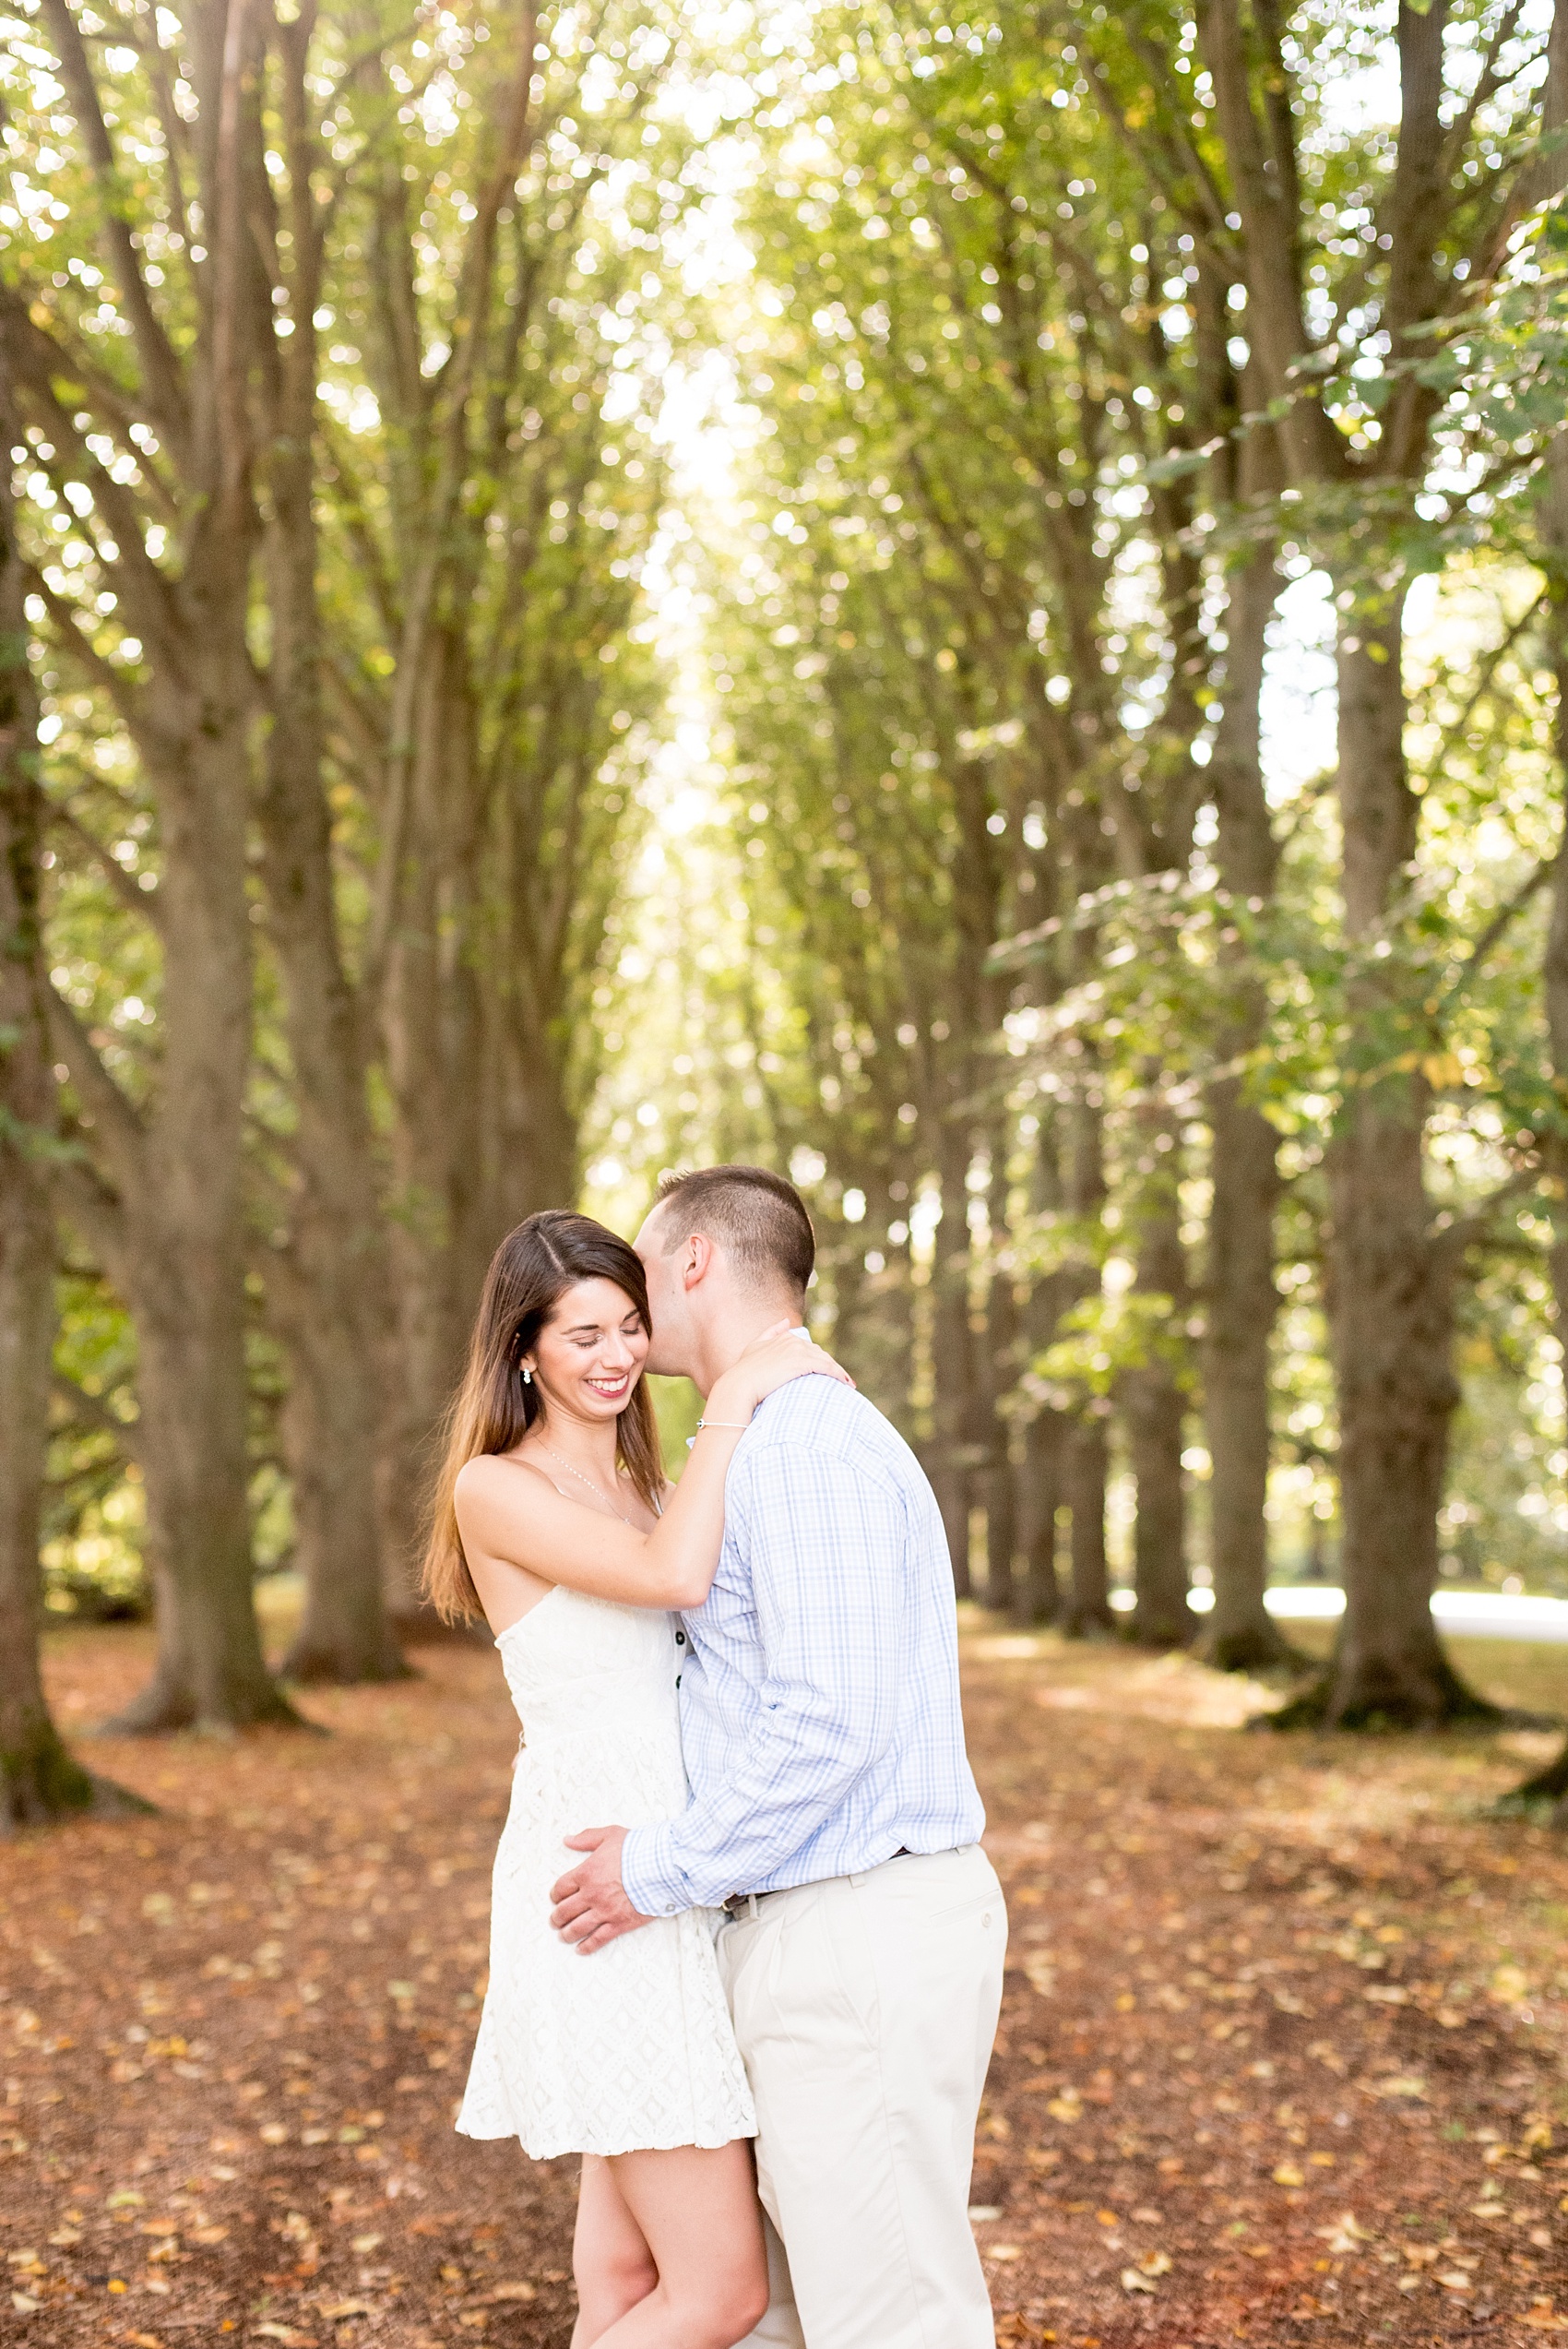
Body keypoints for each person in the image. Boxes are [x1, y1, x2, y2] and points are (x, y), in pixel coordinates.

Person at [549, 1165, 1007, 2349]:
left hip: (851, 1927)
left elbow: (828, 1721)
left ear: (693, 1259)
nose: (630, 1305)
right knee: (781, 2313)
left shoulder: (803, 1444)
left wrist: (654, 1869)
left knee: (891, 2314)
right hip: (786, 1925)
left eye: (642, 1269)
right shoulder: (752, 1440)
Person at [422, 1208, 849, 2349]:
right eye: (580, 1335)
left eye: (628, 1326)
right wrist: (740, 1393)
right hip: (598, 1883)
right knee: (720, 2292)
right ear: (523, 1348)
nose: (614, 1356)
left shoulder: (641, 1483)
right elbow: (670, 1580)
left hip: (671, 1874)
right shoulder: (494, 1489)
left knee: (620, 2273)